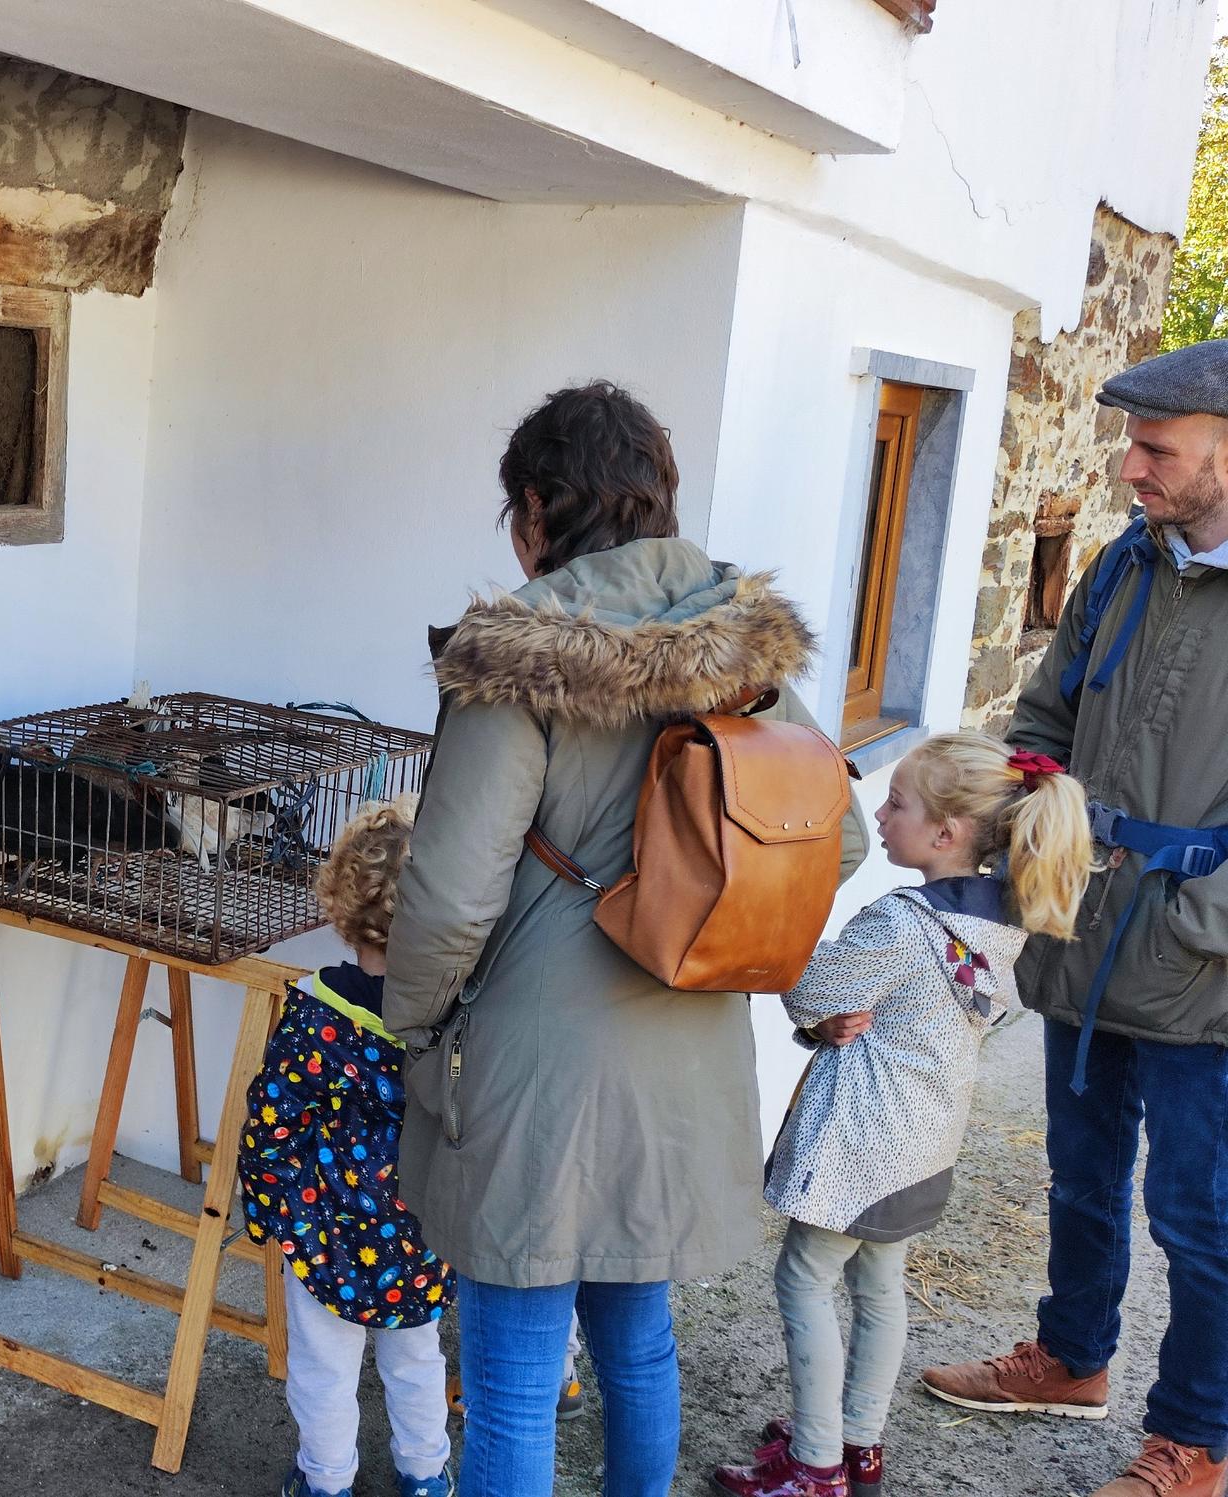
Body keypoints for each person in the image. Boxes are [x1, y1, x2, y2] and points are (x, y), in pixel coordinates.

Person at [382, 381, 866, 1497]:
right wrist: (698, 925)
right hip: (686, 1055)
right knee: (636, 1342)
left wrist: (408, 1026)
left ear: (537, 510)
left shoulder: (512, 661)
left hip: (530, 1071)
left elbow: (452, 895)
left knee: (509, 1377)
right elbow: (825, 838)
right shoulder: (741, 649)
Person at [921, 342, 1228, 1497]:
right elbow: (1046, 711)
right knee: (1079, 1175)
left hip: (1204, 968)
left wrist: (1199, 918)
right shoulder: (1122, 566)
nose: (1127, 469)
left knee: (1199, 1223)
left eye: (1153, 448)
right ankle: (1068, 1356)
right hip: (1083, 929)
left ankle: (1194, 1442)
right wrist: (1000, 819)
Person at [711, 734, 1092, 1497]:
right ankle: (859, 1444)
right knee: (880, 1285)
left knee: (805, 1278)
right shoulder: (998, 921)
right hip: (923, 1147)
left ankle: (816, 1465)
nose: (879, 813)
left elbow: (814, 988)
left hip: (861, 1147)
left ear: (946, 833)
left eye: (897, 803)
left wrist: (818, 1015)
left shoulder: (901, 922)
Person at [239, 796, 456, 1497]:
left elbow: (274, 1119)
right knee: (417, 1354)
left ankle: (327, 1481)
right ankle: (425, 1474)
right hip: (423, 1225)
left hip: (324, 1224)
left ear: (339, 897)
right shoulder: (454, 1016)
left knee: (324, 1366)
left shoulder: (313, 1011)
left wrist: (268, 1207)